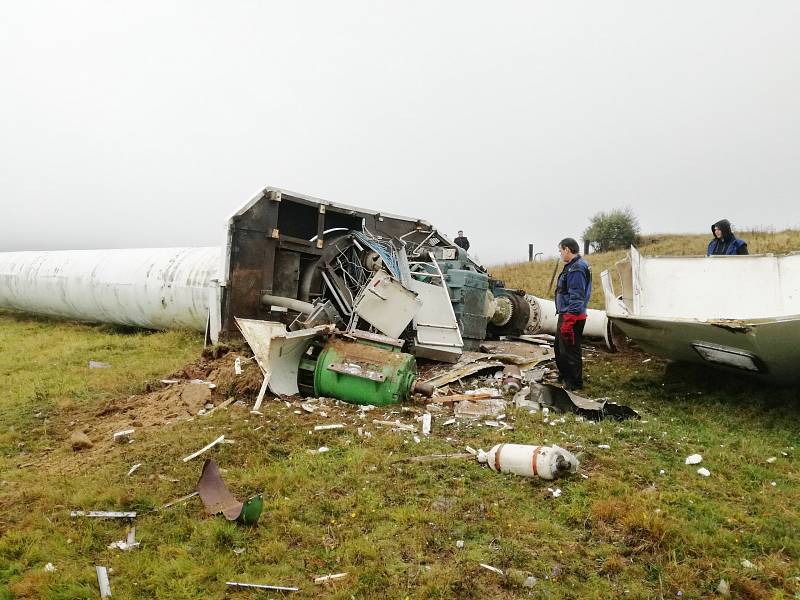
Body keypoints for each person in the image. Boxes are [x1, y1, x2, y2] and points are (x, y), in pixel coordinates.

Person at [554, 237, 592, 390]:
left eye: (561, 250)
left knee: (570, 349)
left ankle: (575, 382)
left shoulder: (577, 268)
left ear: (567, 249)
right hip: (566, 312)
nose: (560, 254)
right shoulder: (572, 265)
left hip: (572, 314)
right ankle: (565, 374)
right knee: (559, 347)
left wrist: (569, 319)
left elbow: (577, 295)